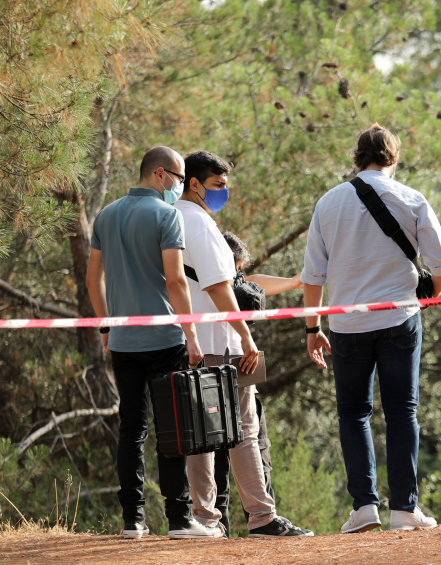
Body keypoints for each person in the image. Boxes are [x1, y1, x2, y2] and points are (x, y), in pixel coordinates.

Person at [302, 123, 441, 533]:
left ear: (358, 156)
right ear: (395, 156)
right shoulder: (412, 198)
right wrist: (425, 293)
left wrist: (310, 328)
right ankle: (404, 510)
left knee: (353, 414)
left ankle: (364, 508)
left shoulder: (328, 203)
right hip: (399, 318)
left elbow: (312, 276)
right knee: (402, 411)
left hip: (345, 323)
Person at [174, 150, 313, 538]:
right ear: (194, 183)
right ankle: (261, 517)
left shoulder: (171, 219)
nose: (224, 192)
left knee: (200, 433)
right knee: (244, 429)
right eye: (218, 185)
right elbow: (222, 288)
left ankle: (204, 519)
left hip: (192, 342)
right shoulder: (201, 225)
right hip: (222, 344)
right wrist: (247, 338)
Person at [86, 145, 220, 540]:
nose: (181, 187)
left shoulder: (106, 215)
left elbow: (94, 280)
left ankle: (133, 521)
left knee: (131, 429)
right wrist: (191, 335)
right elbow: (177, 282)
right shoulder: (167, 216)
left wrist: (106, 328)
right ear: (160, 175)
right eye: (179, 179)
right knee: (171, 430)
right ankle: (179, 520)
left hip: (124, 341)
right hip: (165, 339)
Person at [209, 232, 303, 536]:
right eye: (237, 268)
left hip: (238, 365)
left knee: (252, 446)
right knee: (226, 449)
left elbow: (256, 281)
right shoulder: (213, 283)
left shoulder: (228, 279)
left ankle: (242, 520)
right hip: (227, 362)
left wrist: (292, 281)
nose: (240, 277)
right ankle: (231, 521)